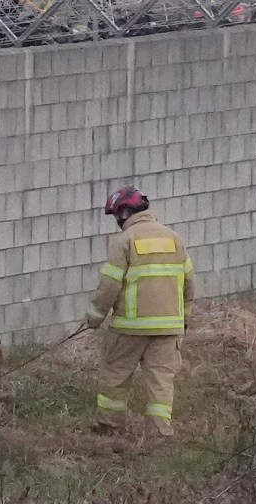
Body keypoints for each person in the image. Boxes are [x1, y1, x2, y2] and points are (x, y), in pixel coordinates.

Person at [87, 186, 192, 439]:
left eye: (116, 216)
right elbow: (189, 283)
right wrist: (184, 318)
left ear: (124, 212)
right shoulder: (174, 238)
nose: (116, 222)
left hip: (130, 326)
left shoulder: (125, 241)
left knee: (115, 374)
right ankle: (158, 434)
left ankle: (110, 427)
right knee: (161, 381)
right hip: (168, 327)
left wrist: (94, 316)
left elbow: (110, 284)